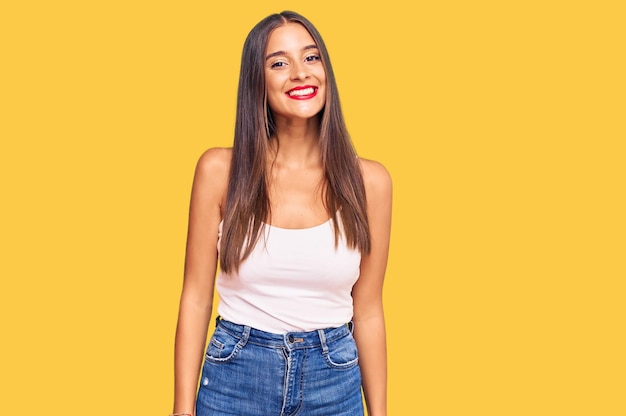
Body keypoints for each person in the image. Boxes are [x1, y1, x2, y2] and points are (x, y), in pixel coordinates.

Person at [172, 10, 392, 416]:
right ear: (258, 82)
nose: (300, 73)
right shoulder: (220, 172)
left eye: (311, 58)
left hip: (334, 379)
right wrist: (181, 410)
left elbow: (369, 310)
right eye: (279, 63)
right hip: (235, 377)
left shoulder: (370, 183)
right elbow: (196, 298)